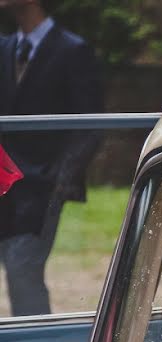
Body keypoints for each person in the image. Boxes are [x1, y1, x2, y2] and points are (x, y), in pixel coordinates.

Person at [0, 0, 103, 315]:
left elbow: (91, 126)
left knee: (22, 270)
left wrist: (59, 181)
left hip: (39, 191)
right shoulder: (5, 48)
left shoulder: (72, 50)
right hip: (4, 185)